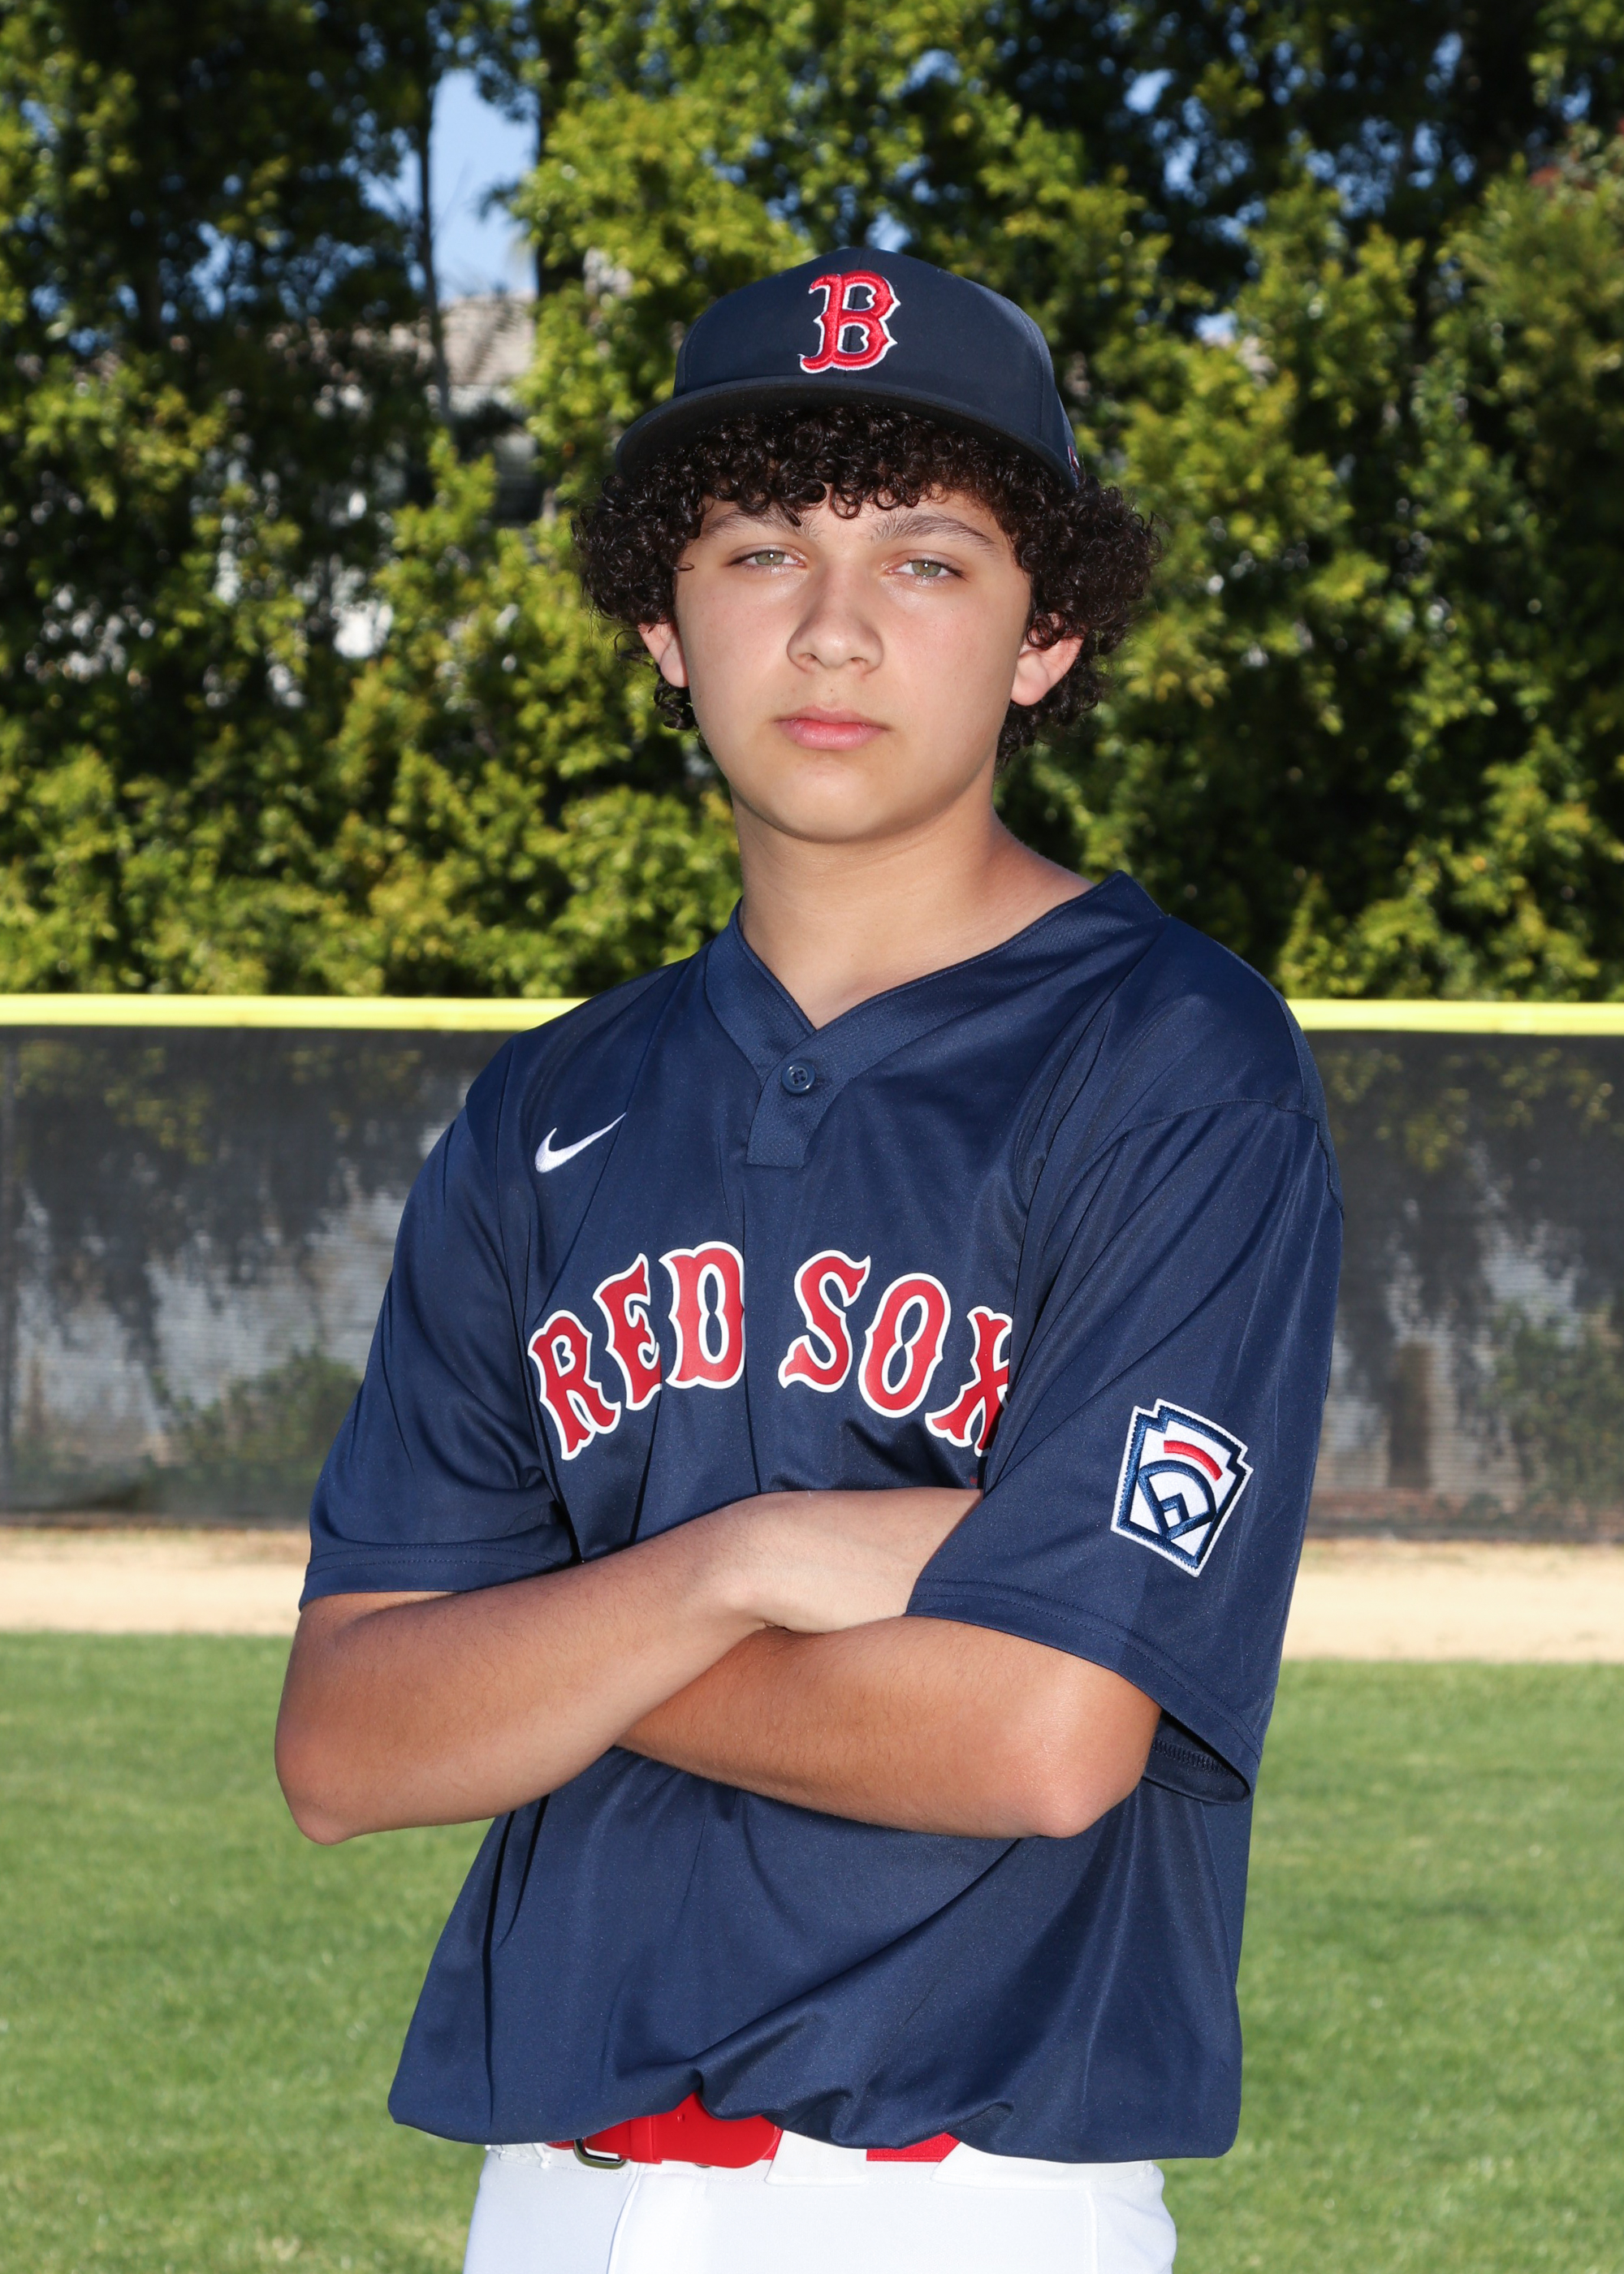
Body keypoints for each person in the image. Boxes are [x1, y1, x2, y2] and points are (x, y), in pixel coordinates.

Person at [275, 248, 1342, 2274]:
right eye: (760, 549)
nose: (834, 626)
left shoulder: (1177, 1058)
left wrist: (541, 1659)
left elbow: (1041, 1735)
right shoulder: (545, 1105)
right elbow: (341, 1744)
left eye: (927, 559)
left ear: (1046, 634)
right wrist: (736, 1561)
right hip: (555, 2192)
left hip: (961, 2201)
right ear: (663, 626)